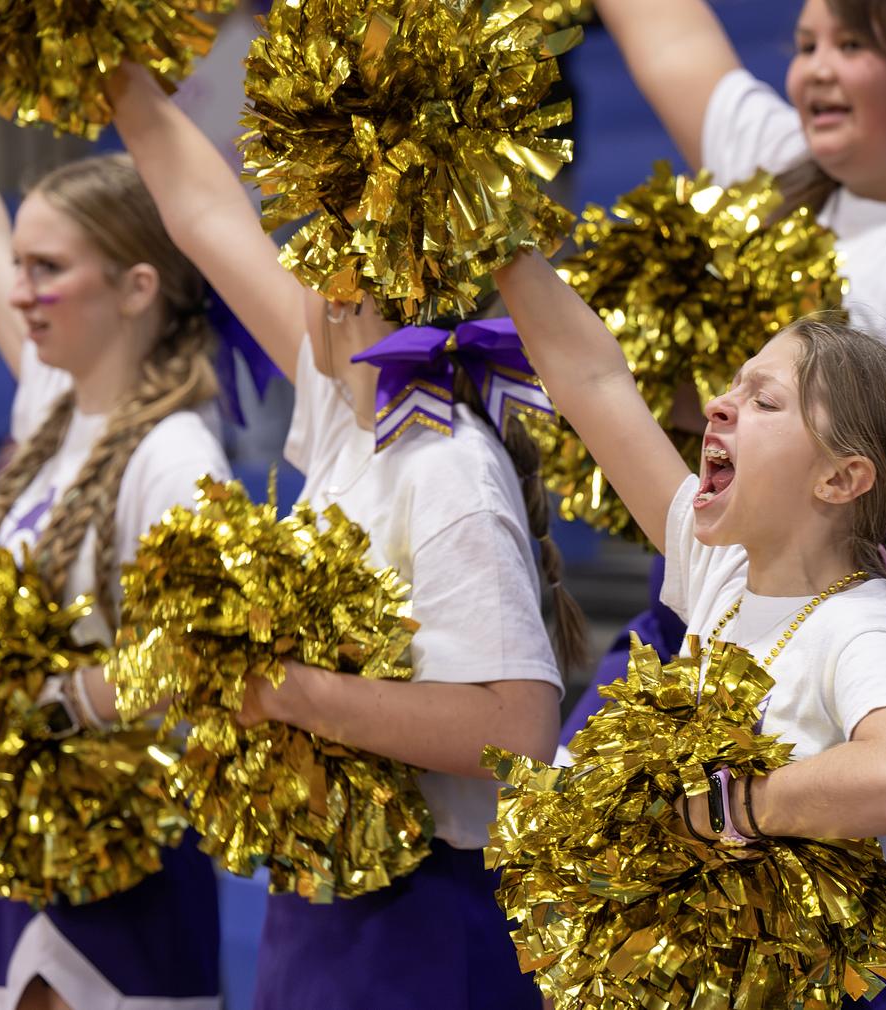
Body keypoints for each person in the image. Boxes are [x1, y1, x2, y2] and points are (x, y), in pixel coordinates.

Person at [568, 3, 886, 1000]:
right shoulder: (789, 161)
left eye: (853, 45)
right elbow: (671, 40)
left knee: (855, 945)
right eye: (803, 45)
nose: (815, 71)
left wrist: (697, 419)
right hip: (745, 576)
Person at [107, 58, 583, 1010]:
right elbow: (205, 215)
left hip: (426, 920)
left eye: (314, 216)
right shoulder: (349, 400)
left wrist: (282, 690)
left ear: (353, 274)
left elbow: (516, 728)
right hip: (332, 895)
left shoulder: (447, 463)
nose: (283, 240)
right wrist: (101, 57)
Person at [498, 246, 886, 1007]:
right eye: (732, 387)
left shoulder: (863, 628)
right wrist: (502, 244)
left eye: (763, 402)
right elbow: (593, 382)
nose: (718, 404)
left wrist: (732, 807)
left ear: (841, 478)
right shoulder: (723, 571)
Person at [0, 51, 230, 1010]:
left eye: (47, 269)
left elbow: (203, 663)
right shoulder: (54, 399)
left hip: (128, 859)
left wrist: (50, 702)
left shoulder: (177, 455)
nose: (17, 292)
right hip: (21, 852)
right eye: (21, 267)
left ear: (137, 287)